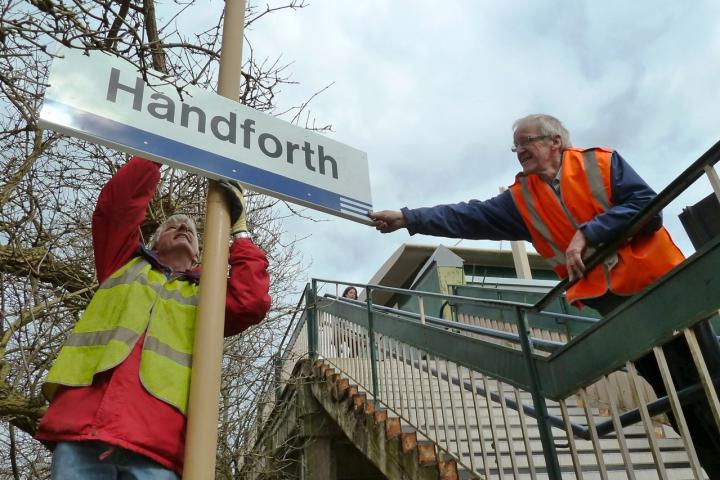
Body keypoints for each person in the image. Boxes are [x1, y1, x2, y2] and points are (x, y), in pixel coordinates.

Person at [369, 114, 720, 476]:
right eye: (515, 146)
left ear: (555, 141)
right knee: (678, 397)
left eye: (527, 142)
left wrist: (589, 233)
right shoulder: (522, 199)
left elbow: (647, 209)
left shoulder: (600, 163)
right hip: (618, 308)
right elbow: (466, 216)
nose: (520, 151)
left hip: (660, 288)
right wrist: (408, 218)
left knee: (707, 374)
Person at [35, 156, 272, 479]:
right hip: (83, 431)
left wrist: (240, 234)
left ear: (200, 255)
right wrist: (158, 148)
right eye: (172, 226)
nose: (182, 228)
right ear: (153, 242)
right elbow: (115, 207)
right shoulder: (123, 262)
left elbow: (250, 303)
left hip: (158, 446)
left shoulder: (207, 292)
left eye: (189, 229)